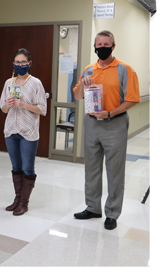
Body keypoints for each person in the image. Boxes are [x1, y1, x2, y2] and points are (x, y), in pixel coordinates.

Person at [73, 30, 140, 230]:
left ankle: (112, 213)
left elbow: (132, 99)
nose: (102, 48)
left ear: (113, 46)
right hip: (92, 123)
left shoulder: (125, 69)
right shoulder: (88, 69)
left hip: (115, 124)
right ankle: (93, 207)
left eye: (106, 45)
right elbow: (77, 96)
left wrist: (110, 113)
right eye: (99, 45)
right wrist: (83, 86)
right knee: (91, 168)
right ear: (95, 46)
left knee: (114, 171)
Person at [0, 48, 47, 216]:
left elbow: (42, 109)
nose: (20, 65)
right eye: (17, 62)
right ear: (13, 64)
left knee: (27, 167)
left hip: (29, 132)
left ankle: (24, 203)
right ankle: (17, 198)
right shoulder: (8, 83)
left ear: (29, 63)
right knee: (15, 166)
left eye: (23, 62)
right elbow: (3, 108)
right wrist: (9, 103)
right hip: (11, 130)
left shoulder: (36, 83)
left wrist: (23, 104)